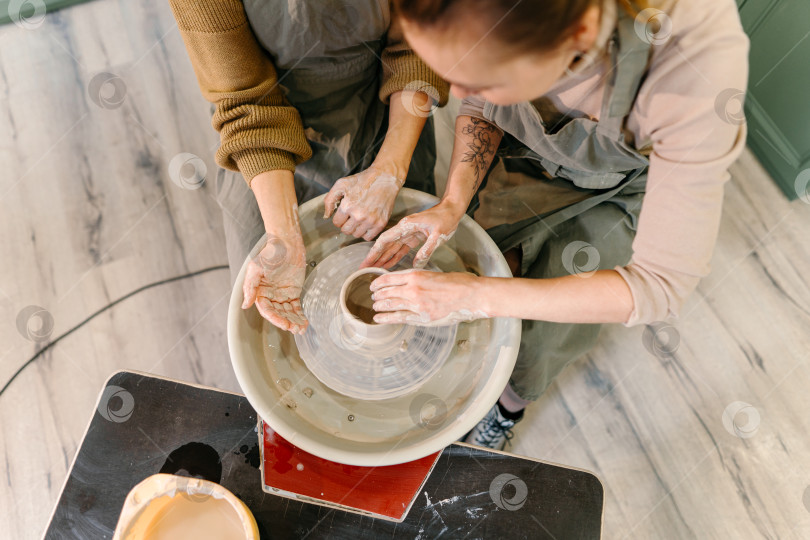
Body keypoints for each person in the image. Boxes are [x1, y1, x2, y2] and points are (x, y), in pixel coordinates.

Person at [365, 0, 749, 449]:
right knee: (483, 261)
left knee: (541, 336)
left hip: (625, 187)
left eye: (482, 77)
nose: (449, 91)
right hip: (531, 148)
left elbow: (658, 287)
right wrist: (452, 203)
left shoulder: (694, 78)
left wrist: (474, 297)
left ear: (581, 36)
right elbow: (481, 103)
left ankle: (507, 411)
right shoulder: (499, 32)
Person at [168, 0, 449, 334]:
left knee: (416, 267)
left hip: (387, 102)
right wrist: (282, 237)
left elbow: (417, 49)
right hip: (259, 130)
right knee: (264, 314)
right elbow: (245, 100)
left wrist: (390, 169)